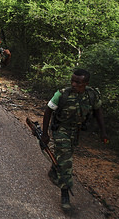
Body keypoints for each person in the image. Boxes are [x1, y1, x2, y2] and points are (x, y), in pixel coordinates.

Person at [41, 69, 107, 211]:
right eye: (72, 80)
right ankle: (65, 194)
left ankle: (54, 170)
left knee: (63, 156)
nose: (74, 84)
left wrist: (103, 132)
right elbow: (48, 111)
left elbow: (98, 112)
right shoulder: (62, 94)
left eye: (78, 82)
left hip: (76, 133)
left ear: (86, 83)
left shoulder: (91, 95)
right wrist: (45, 134)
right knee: (66, 160)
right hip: (61, 130)